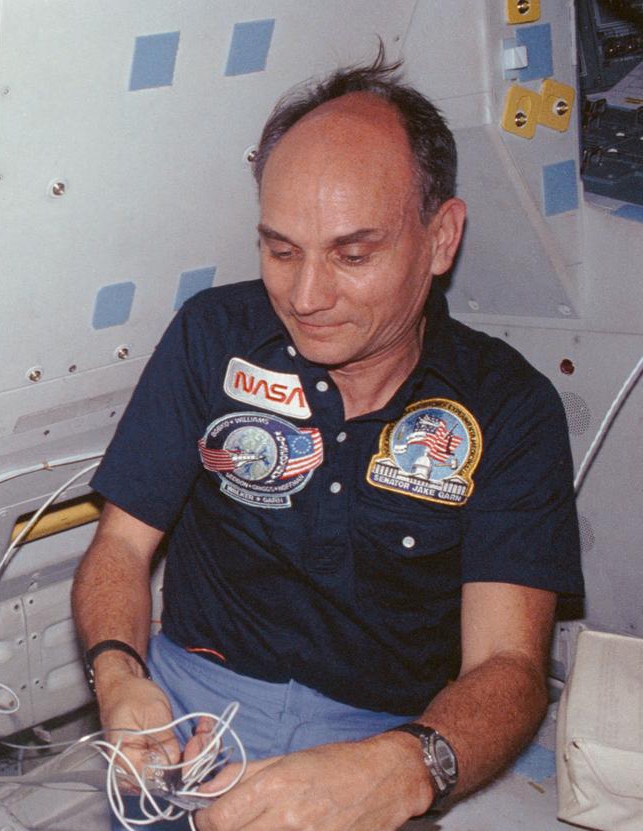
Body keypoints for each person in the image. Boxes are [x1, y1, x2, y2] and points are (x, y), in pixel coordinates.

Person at [71, 53, 583, 831]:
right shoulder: (212, 335)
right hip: (184, 701)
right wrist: (120, 673)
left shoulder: (511, 409)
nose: (306, 298)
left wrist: (408, 766)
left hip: (381, 733)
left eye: (352, 254)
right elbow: (120, 547)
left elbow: (509, 668)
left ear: (440, 238)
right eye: (281, 250)